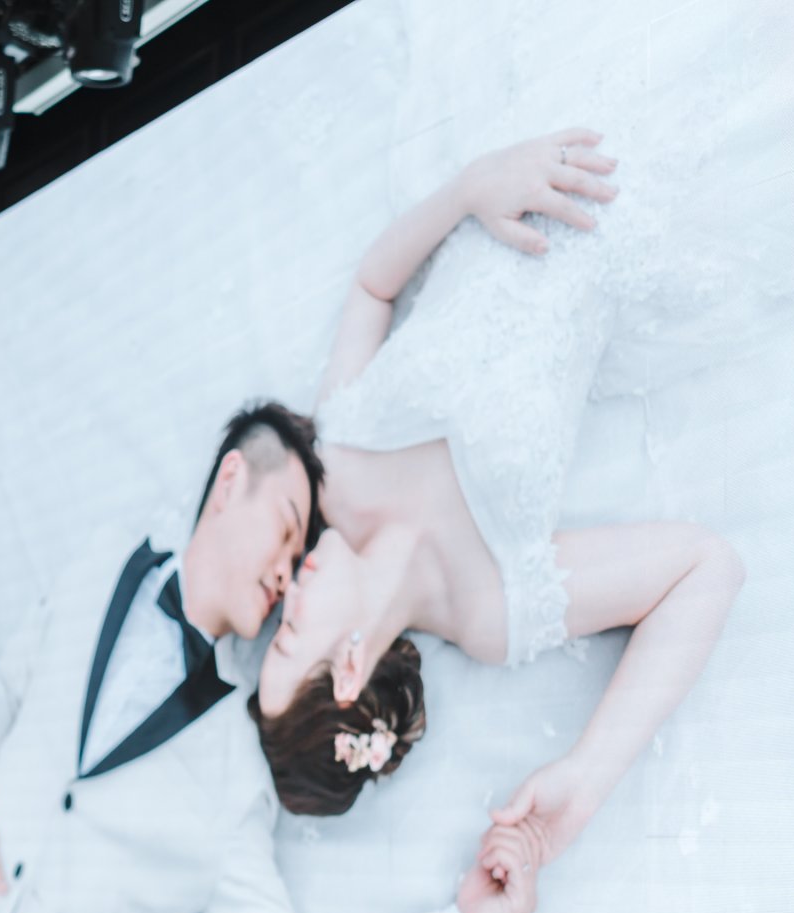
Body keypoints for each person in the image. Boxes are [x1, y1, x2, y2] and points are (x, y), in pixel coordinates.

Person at [0, 406, 539, 913]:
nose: (287, 574)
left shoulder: (237, 781)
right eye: (287, 529)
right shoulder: (102, 560)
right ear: (230, 481)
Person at [253, 127, 745, 871]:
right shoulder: (490, 612)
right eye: (290, 631)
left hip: (526, 150)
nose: (287, 589)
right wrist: (583, 779)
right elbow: (708, 567)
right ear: (348, 671)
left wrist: (468, 189)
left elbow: (373, 287)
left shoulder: (335, 472)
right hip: (641, 208)